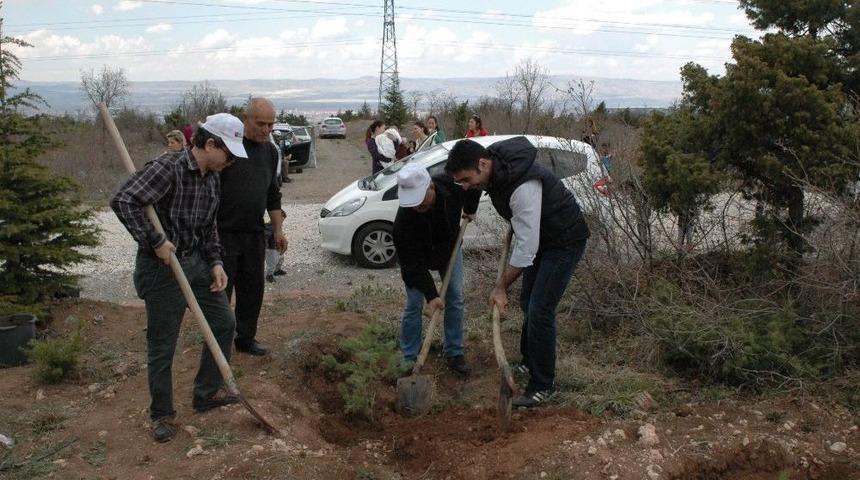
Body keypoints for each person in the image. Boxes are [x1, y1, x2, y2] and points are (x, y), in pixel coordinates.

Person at [111, 113, 247, 443]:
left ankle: (206, 393)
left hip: (197, 263)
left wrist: (215, 262)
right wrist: (154, 241)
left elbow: (208, 227)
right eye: (228, 153)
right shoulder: (168, 167)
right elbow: (123, 200)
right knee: (163, 345)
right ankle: (162, 414)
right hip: (161, 269)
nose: (230, 161)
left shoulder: (212, 178)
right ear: (210, 144)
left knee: (224, 322)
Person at [445, 137, 590, 408]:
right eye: (460, 182)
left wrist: (500, 286)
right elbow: (475, 186)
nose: (465, 186)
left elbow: (527, 249)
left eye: (466, 179)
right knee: (527, 302)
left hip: (563, 240)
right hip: (542, 237)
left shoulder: (522, 186)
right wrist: (469, 209)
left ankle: (542, 385)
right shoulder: (492, 167)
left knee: (540, 310)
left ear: (482, 164)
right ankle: (528, 360)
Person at [393, 163, 480, 376]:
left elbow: (475, 184)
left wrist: (470, 208)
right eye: (412, 203)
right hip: (419, 258)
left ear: (431, 187)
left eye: (420, 201)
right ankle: (409, 357)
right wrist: (431, 295)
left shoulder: (453, 185)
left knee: (455, 297)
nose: (416, 207)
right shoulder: (402, 223)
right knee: (414, 303)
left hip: (449, 248)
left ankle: (454, 352)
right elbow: (411, 265)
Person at [218, 97, 287, 356]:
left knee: (252, 290)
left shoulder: (270, 152)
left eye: (271, 124)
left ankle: (245, 338)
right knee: (221, 292)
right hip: (223, 233)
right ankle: (218, 343)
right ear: (245, 119)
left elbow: (273, 195)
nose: (266, 129)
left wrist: (278, 230)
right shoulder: (230, 148)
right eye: (261, 123)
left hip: (254, 234)